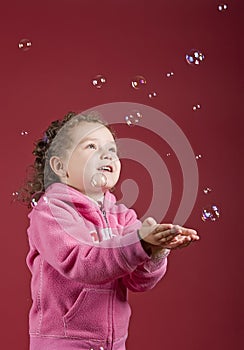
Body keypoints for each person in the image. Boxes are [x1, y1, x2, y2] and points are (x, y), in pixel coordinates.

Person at [19, 111, 199, 350]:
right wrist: (139, 244)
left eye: (112, 150)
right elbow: (80, 263)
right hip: (64, 342)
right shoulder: (51, 212)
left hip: (113, 343)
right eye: (92, 146)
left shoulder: (123, 216)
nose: (106, 155)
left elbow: (138, 282)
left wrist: (155, 250)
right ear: (60, 166)